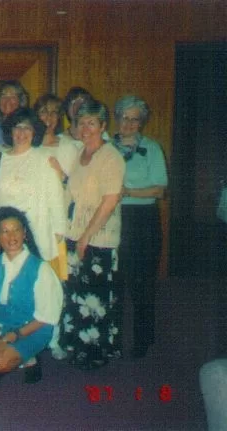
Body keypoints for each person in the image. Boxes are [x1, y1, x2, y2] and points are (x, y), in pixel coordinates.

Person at [59, 100, 126, 370]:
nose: (85, 128)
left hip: (99, 238)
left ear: (102, 126)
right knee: (76, 293)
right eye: (81, 122)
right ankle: (77, 344)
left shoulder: (111, 156)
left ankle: (96, 350)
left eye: (91, 123)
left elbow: (109, 202)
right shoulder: (80, 154)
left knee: (95, 296)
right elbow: (72, 192)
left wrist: (86, 236)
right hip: (75, 234)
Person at [0, 207, 62, 386]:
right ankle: (4, 355)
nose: (11, 236)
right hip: (6, 319)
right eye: (5, 231)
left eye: (16, 230)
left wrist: (6, 339)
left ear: (24, 233)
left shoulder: (41, 268)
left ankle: (29, 359)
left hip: (34, 327)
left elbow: (45, 318)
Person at [112, 95, 168, 359]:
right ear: (117, 117)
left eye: (135, 119)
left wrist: (129, 191)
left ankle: (143, 340)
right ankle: (111, 337)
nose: (130, 123)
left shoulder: (152, 148)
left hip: (143, 221)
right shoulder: (106, 146)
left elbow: (159, 189)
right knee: (114, 281)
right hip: (112, 218)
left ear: (142, 123)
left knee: (142, 282)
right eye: (125, 117)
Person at [0, 108, 66, 268]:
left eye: (27, 127)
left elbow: (56, 198)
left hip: (38, 232)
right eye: (17, 127)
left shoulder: (45, 159)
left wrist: (59, 232)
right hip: (7, 237)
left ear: (34, 132)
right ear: (10, 130)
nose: (21, 132)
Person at [34, 93, 79, 182]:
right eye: (44, 112)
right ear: (36, 116)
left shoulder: (68, 147)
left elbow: (78, 185)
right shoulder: (28, 146)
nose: (49, 117)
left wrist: (62, 175)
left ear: (58, 117)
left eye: (53, 113)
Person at [0, 80, 29, 145]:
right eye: (3, 96)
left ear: (21, 101)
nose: (7, 100)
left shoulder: (28, 127)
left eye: (13, 96)